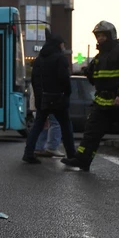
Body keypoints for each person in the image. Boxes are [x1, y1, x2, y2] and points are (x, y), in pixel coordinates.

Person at [62, 21, 119, 174]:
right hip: (102, 102)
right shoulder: (100, 57)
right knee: (92, 131)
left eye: (102, 36)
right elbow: (96, 79)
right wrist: (89, 72)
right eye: (98, 36)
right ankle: (82, 160)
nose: (99, 39)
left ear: (111, 35)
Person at [22, 34, 77, 164]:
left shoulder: (39, 60)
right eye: (63, 44)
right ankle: (71, 155)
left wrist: (38, 98)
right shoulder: (60, 58)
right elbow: (64, 79)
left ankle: (28, 153)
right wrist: (67, 93)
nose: (63, 47)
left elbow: (35, 82)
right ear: (58, 45)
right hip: (58, 97)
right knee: (65, 126)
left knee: (38, 126)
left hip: (43, 99)